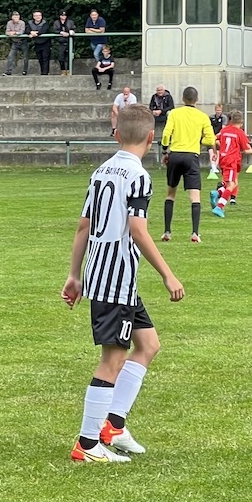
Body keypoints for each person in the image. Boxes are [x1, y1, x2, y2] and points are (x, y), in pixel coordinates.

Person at [62, 103, 184, 464]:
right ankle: (87, 445)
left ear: (116, 135)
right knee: (112, 360)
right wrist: (167, 274)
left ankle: (113, 426)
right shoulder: (138, 176)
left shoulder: (101, 171)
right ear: (151, 137)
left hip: (107, 276)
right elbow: (138, 230)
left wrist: (74, 274)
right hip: (115, 280)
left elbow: (83, 226)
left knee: (148, 344)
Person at [159, 86, 216, 243]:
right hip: (191, 156)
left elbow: (166, 134)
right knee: (195, 196)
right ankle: (195, 233)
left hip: (175, 155)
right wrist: (198, 141)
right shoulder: (202, 116)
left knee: (171, 194)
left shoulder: (174, 113)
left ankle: (167, 232)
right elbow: (210, 139)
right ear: (197, 100)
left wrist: (165, 151)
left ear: (183, 99)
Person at [211, 108, 252, 218]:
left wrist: (216, 152)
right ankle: (219, 207)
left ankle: (218, 193)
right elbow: (246, 149)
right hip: (231, 161)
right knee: (231, 185)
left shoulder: (224, 130)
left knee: (232, 182)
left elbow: (214, 139)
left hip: (223, 159)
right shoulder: (240, 133)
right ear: (241, 121)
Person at [52, 11, 76, 76]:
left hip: (69, 41)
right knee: (61, 57)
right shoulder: (56, 22)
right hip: (60, 42)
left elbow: (74, 29)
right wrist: (61, 32)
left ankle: (68, 70)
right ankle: (62, 70)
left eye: (64, 15)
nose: (63, 17)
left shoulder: (70, 22)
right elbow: (54, 30)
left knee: (69, 57)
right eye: (62, 15)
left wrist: (72, 32)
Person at [27, 10, 51, 74]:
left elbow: (44, 30)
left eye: (39, 15)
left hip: (45, 42)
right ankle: (42, 72)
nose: (38, 17)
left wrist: (34, 33)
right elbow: (26, 30)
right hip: (37, 43)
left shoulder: (45, 23)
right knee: (40, 58)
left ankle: (45, 73)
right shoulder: (30, 23)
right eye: (36, 15)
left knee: (45, 58)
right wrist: (30, 32)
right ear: (33, 17)